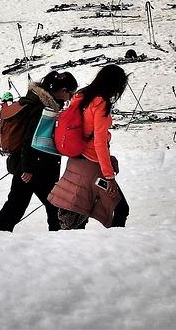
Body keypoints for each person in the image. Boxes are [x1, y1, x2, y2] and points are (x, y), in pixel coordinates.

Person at [0, 71, 77, 232]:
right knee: (53, 203)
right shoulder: (42, 107)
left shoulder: (39, 101)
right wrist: (28, 168)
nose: (70, 99)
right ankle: (56, 239)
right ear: (63, 90)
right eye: (71, 94)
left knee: (17, 203)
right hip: (36, 166)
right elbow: (29, 138)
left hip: (28, 163)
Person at [48, 64, 130, 230]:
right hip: (91, 165)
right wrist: (109, 177)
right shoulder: (100, 103)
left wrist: (109, 159)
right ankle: (117, 245)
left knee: (79, 214)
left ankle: (82, 250)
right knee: (120, 208)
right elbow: (99, 143)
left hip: (76, 159)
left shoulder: (83, 95)